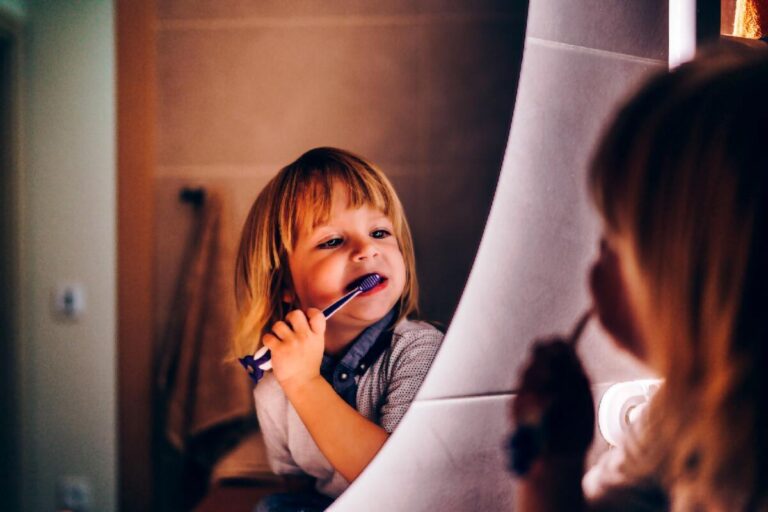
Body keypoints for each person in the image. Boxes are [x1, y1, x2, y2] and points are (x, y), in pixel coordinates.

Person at [510, 46, 768, 512]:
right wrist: (555, 465)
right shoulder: (680, 412)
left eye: (616, 236)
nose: (598, 260)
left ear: (689, 272)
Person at [233, 147, 443, 511]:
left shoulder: (419, 350)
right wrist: (294, 382)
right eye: (332, 241)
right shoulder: (274, 386)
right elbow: (297, 484)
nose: (366, 249)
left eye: (379, 231)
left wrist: (306, 385)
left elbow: (403, 484)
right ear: (284, 282)